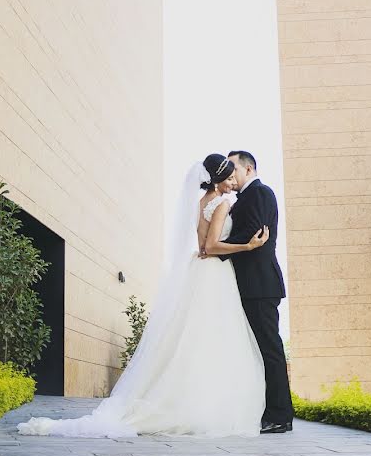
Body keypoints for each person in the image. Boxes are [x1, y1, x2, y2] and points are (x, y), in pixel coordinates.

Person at [17, 154, 268, 438]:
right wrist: (247, 246)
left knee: (191, 336)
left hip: (198, 271)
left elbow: (199, 245)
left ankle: (184, 398)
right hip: (213, 273)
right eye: (230, 176)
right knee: (211, 337)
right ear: (220, 180)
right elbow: (210, 246)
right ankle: (202, 404)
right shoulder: (222, 204)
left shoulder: (199, 204)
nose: (234, 181)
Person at [212, 150, 294, 433]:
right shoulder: (241, 198)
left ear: (248, 168)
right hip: (249, 285)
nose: (229, 171)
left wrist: (214, 250)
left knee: (270, 350)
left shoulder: (260, 193)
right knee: (256, 351)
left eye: (233, 166)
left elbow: (253, 234)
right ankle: (264, 411)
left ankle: (280, 416)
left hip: (260, 285)